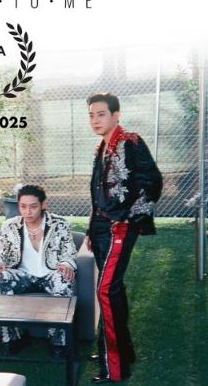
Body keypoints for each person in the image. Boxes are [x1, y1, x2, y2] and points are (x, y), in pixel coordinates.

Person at [86, 92, 163, 384]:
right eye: (91, 115)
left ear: (115, 115)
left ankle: (115, 368)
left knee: (106, 290)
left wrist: (130, 218)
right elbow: (98, 192)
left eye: (101, 114)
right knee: (113, 290)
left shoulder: (130, 141)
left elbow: (153, 181)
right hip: (100, 228)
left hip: (118, 227)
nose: (95, 120)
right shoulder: (100, 147)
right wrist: (92, 228)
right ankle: (120, 351)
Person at [0, 184, 77, 360]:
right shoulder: (10, 225)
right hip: (23, 275)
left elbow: (69, 251)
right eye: (23, 206)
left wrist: (66, 263)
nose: (27, 212)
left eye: (33, 206)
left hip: (50, 273)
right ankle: (14, 337)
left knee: (64, 279)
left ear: (43, 204)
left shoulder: (59, 224)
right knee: (0, 278)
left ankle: (57, 341)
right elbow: (0, 251)